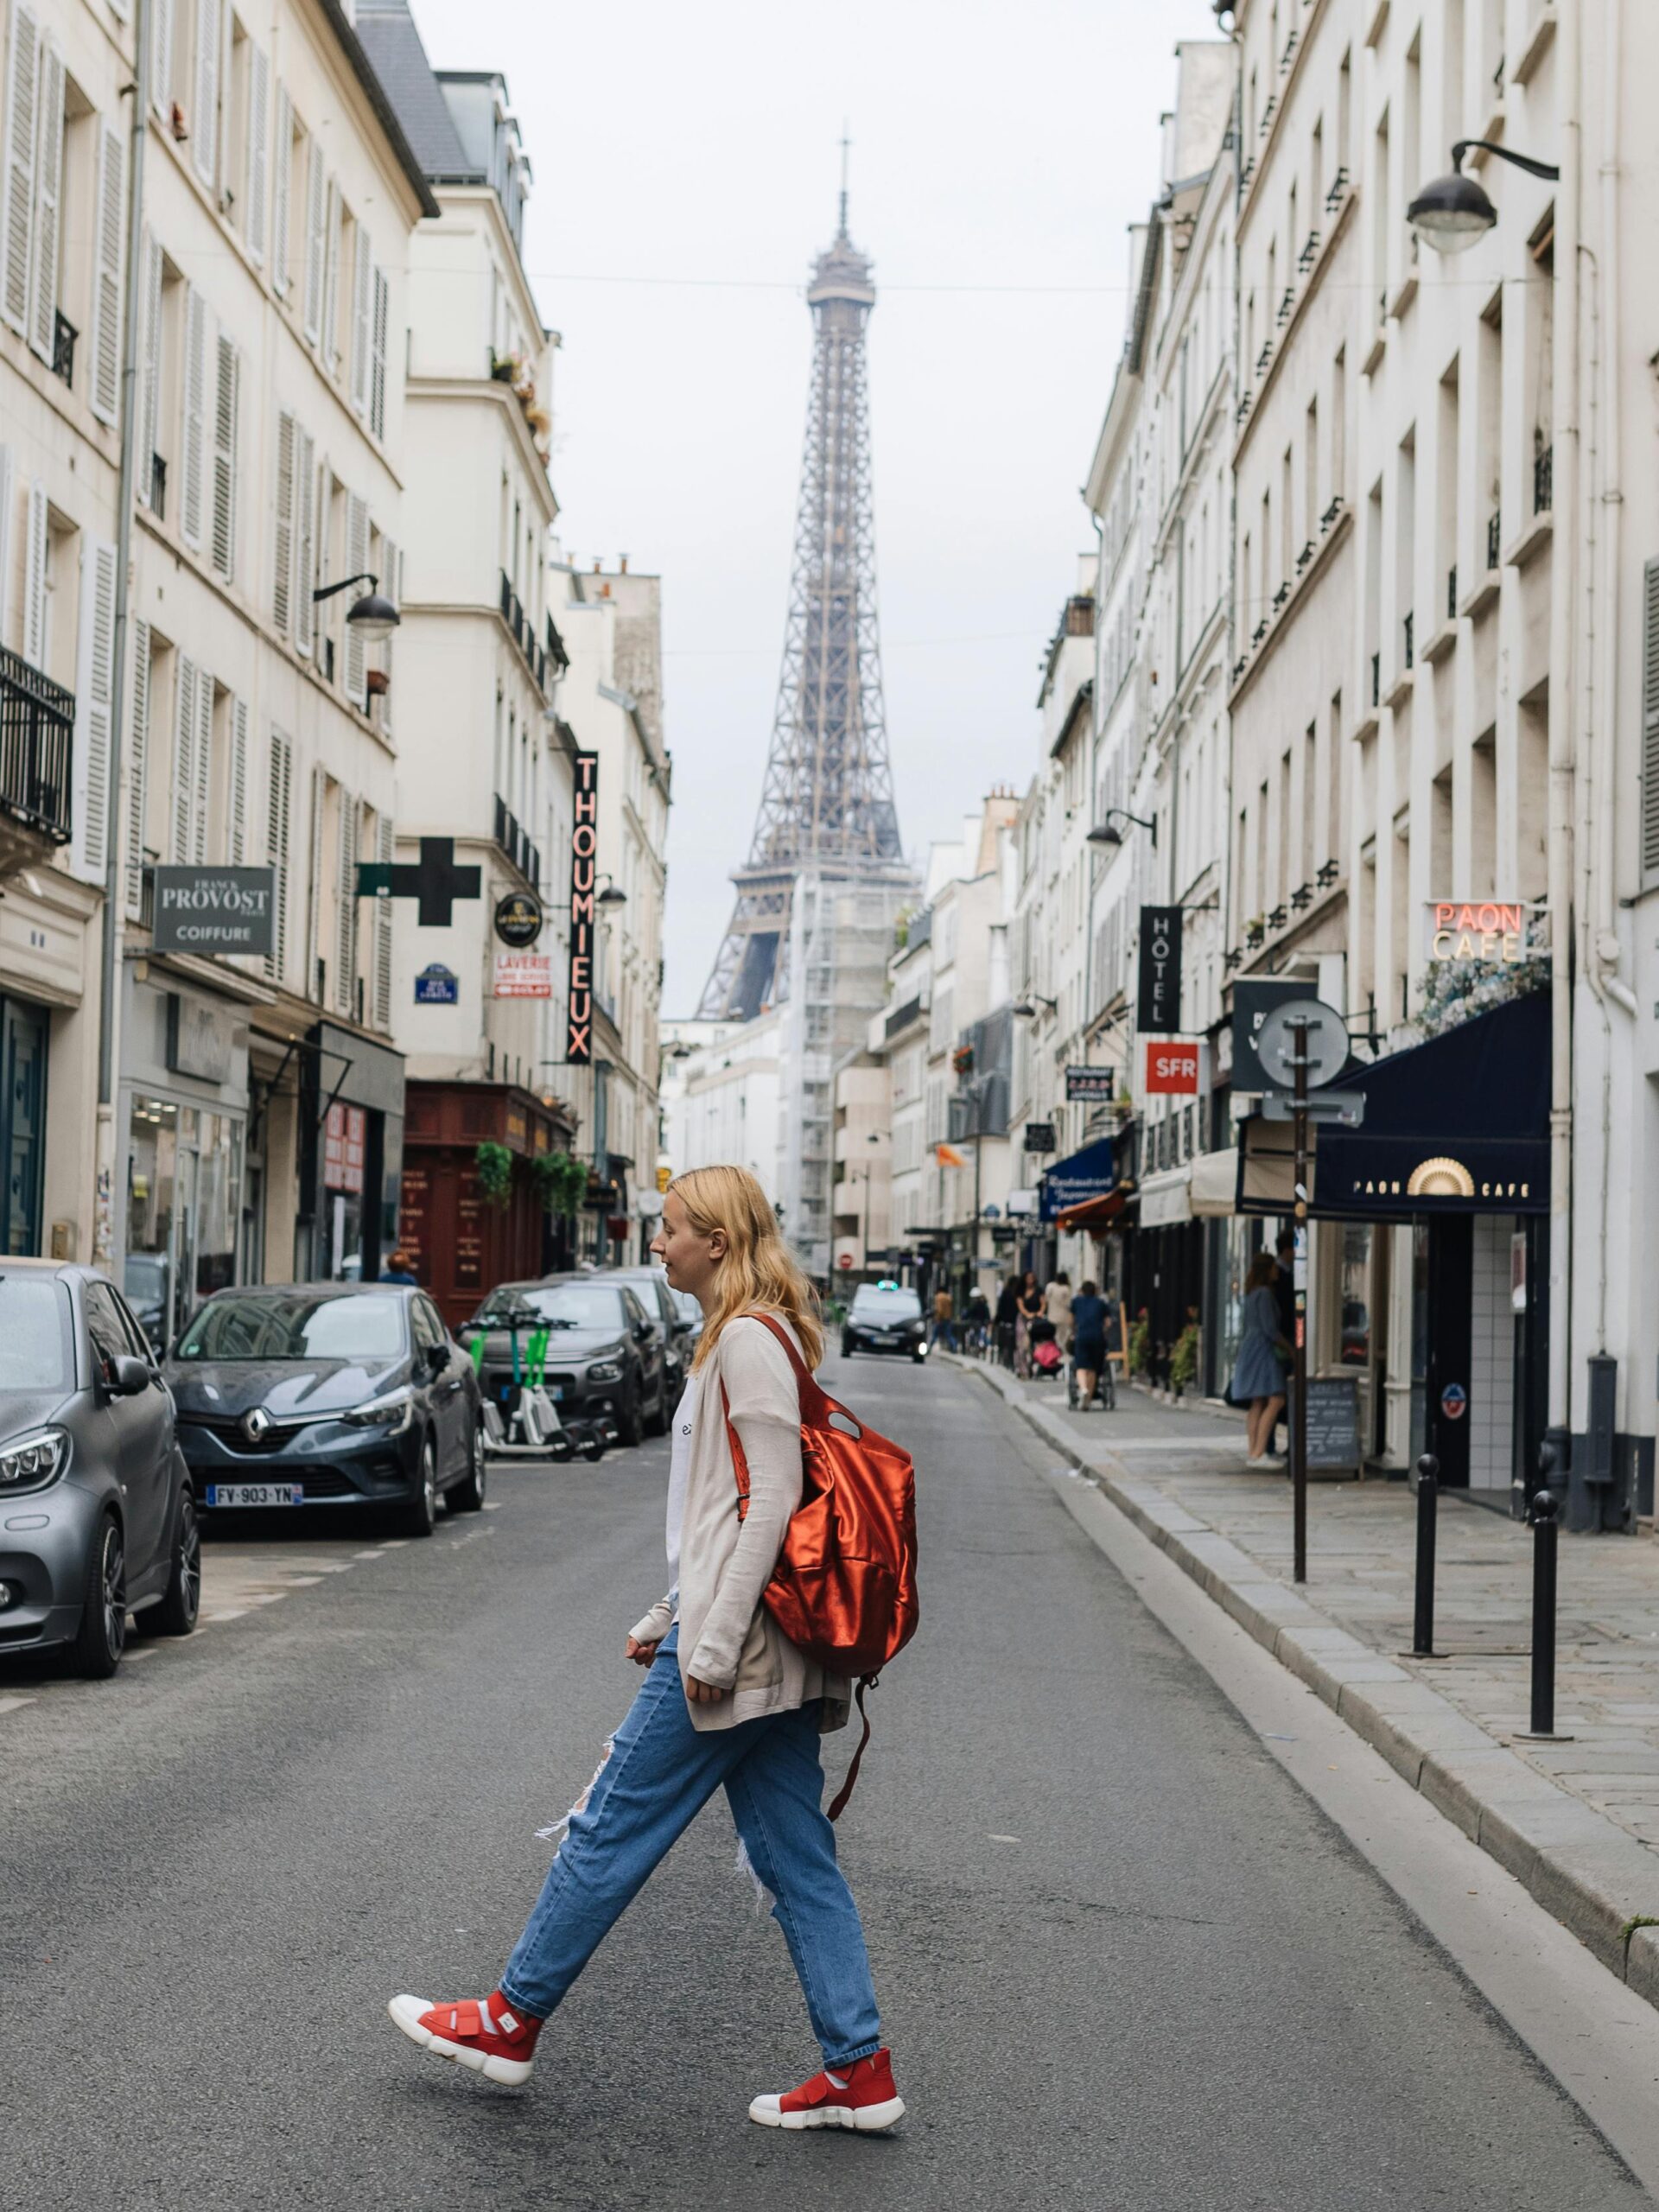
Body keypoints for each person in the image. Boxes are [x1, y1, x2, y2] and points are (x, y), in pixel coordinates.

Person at [388, 1163, 904, 2133]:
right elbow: (721, 1515)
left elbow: (771, 1507)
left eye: (670, 1229)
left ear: (716, 1240)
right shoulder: (749, 1335)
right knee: (797, 1857)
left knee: (611, 1823)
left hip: (739, 1651)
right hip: (766, 1647)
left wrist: (703, 1642)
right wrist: (668, 1610)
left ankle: (509, 2018)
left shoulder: (747, 1339)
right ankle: (858, 2068)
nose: (656, 1243)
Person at [1232, 1251, 1290, 1466]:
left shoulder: (1251, 1293)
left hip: (1251, 1347)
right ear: (1268, 1270)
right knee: (1276, 1399)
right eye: (1274, 1268)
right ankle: (1259, 1452)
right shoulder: (1265, 1294)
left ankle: (1253, 1452)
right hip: (1262, 1350)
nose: (1277, 1271)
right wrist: (1290, 1349)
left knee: (1258, 1401)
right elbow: (1270, 1329)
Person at [1070, 1279, 1109, 1409]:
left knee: (1081, 1366)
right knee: (1093, 1368)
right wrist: (1102, 1330)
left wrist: (1073, 1332)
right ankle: (1089, 1399)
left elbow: (1071, 1320)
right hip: (1097, 1337)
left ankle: (1083, 1389)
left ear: (1082, 1291)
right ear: (1095, 1291)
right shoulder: (1101, 1303)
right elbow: (1108, 1323)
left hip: (1082, 1336)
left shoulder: (1076, 1301)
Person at [1015, 1270, 1043, 1378]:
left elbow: (1043, 1303)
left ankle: (1033, 1367)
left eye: (1032, 1277)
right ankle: (1023, 1369)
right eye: (1028, 1278)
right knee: (1022, 1345)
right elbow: (1020, 1305)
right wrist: (1027, 1314)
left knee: (1035, 1345)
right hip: (1023, 1319)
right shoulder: (1021, 1291)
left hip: (1036, 1319)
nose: (1030, 1280)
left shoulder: (1039, 1290)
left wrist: (1040, 1312)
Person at [1043, 1272, 1073, 1356]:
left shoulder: (1050, 1286)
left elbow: (1046, 1299)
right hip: (1064, 1316)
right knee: (1062, 1337)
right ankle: (1061, 1353)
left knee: (1053, 1335)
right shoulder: (1066, 1289)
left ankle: (1053, 1352)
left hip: (1052, 1315)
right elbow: (1068, 1303)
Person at [994, 1275, 1020, 1369]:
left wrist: (997, 1321)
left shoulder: (1006, 1293)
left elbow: (1000, 1308)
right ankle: (1013, 1363)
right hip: (1017, 1322)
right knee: (1015, 1344)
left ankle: (1008, 1362)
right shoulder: (1019, 1294)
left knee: (1006, 1344)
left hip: (1006, 1322)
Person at [931, 1283, 957, 1352]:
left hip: (941, 1319)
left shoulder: (938, 1297)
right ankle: (954, 1346)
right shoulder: (948, 1297)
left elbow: (939, 1309)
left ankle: (929, 1348)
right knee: (949, 1334)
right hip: (947, 1318)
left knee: (935, 1334)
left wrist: (938, 1318)